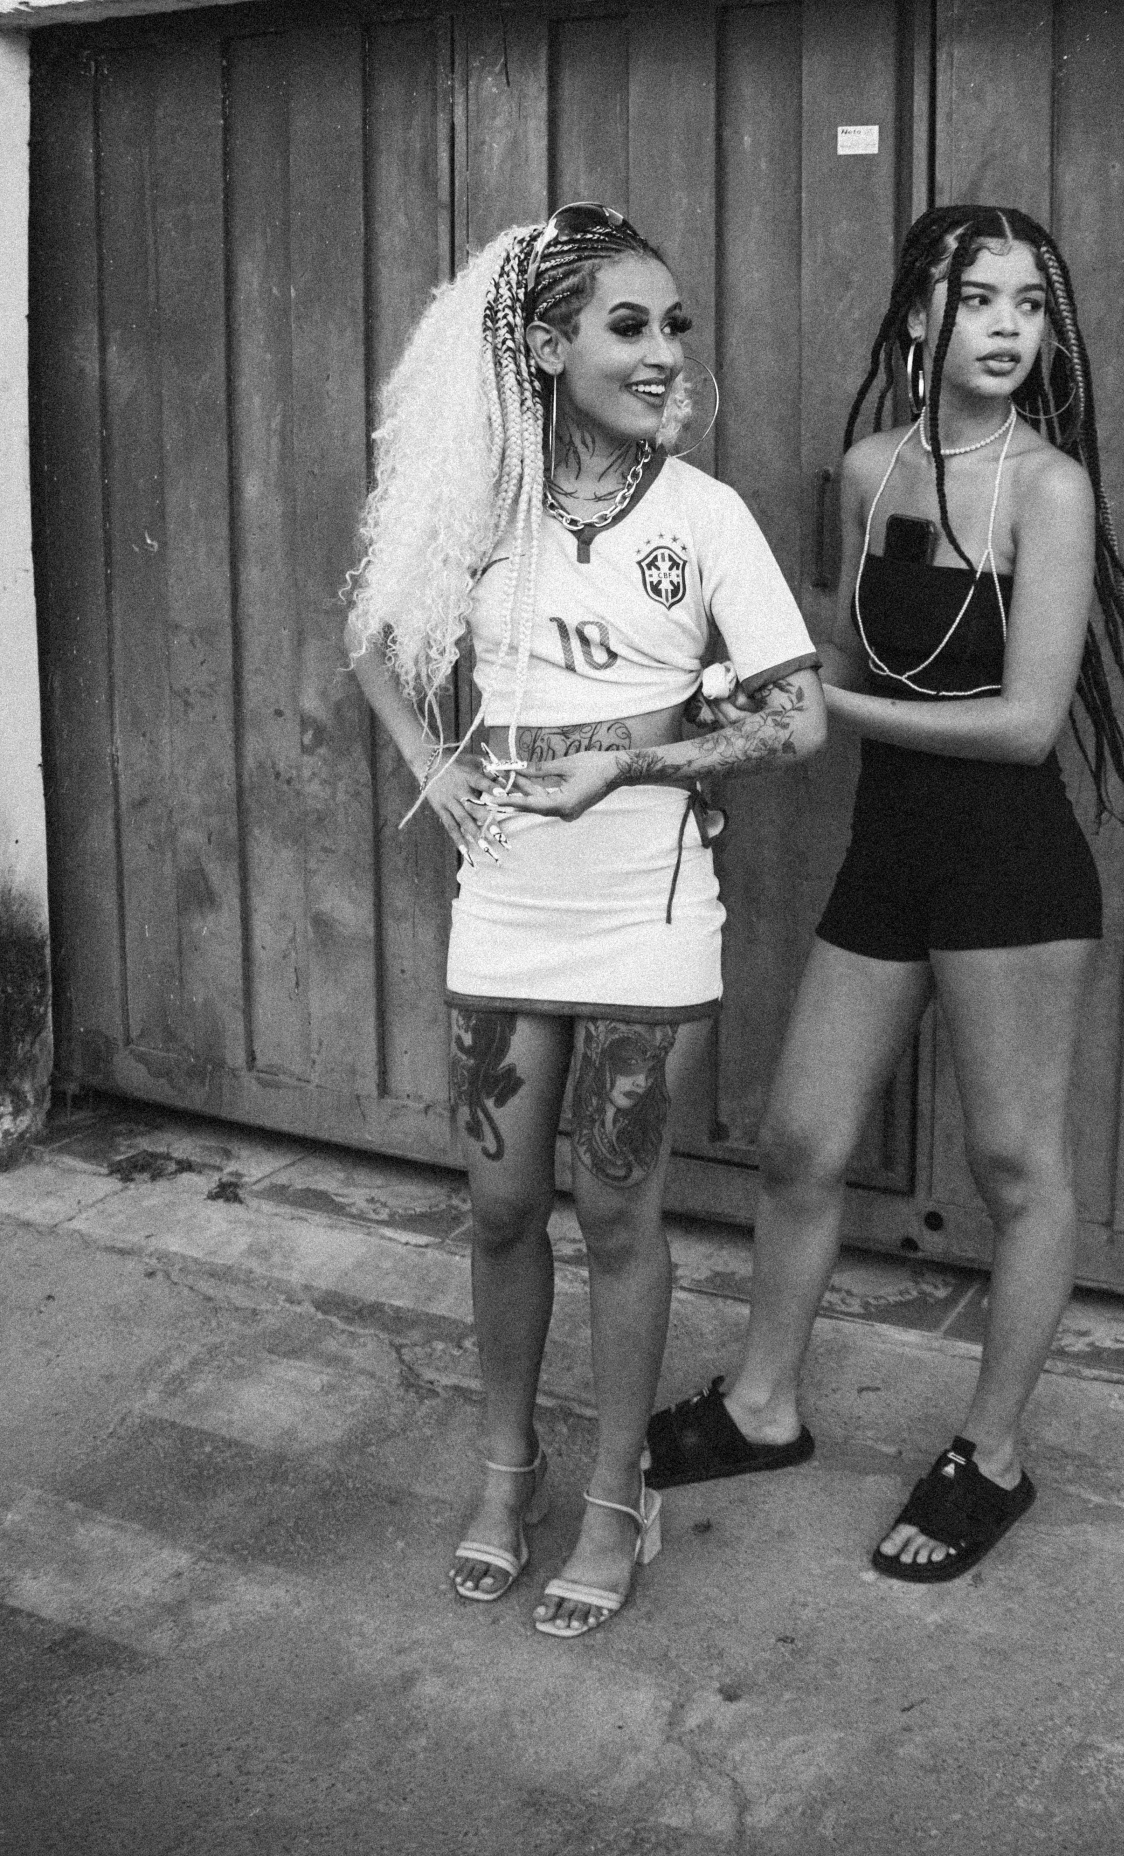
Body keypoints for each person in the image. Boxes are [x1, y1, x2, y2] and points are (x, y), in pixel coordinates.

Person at [647, 204, 1124, 1584]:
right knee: (802, 1143)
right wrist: (739, 676)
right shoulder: (868, 468)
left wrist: (829, 702)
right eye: (980, 298)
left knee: (1014, 1167)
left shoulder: (1048, 487)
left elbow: (1020, 723)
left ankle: (991, 1455)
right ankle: (763, 1407)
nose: (1007, 328)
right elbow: (829, 648)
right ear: (920, 314)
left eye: (1032, 306)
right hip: (887, 855)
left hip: (1010, 865)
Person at [349, 203, 824, 1638]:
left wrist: (643, 760)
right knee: (500, 1205)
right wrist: (439, 784)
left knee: (617, 1210)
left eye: (676, 324)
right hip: (505, 900)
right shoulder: (484, 507)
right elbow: (371, 640)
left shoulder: (703, 515)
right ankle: (509, 1467)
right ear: (548, 345)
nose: (666, 351)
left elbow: (794, 718)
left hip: (648, 904)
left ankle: (618, 1492)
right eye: (630, 326)